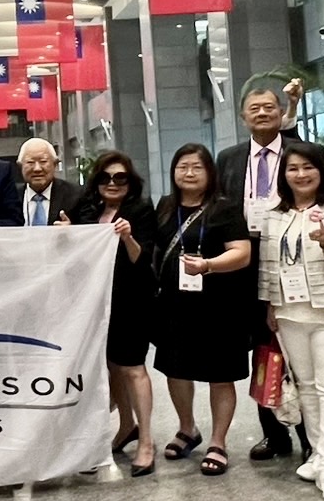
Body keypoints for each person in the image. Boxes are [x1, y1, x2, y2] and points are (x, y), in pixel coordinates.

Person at [258, 142, 324, 501]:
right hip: (289, 312)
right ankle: (318, 454)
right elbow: (269, 266)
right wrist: (271, 305)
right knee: (308, 388)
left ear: (322, 171)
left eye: (308, 168)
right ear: (283, 176)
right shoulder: (274, 215)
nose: (301, 175)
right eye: (293, 169)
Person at [214, 86, 311, 462]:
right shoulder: (230, 158)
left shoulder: (297, 153)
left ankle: (308, 436)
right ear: (243, 117)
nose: (262, 113)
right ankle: (273, 433)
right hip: (244, 259)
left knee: (295, 345)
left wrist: (295, 105)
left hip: (292, 256)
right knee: (262, 351)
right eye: (254, 109)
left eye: (269, 107)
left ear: (280, 114)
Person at [152, 143, 254, 476]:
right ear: (173, 172)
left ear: (210, 172)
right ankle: (187, 429)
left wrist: (208, 265)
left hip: (219, 306)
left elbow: (241, 253)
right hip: (174, 304)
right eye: (183, 166)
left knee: (219, 375)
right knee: (175, 369)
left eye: (197, 167)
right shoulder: (166, 206)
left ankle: (218, 441)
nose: (190, 173)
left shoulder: (224, 208)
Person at [73, 151, 157, 476]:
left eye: (120, 178)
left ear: (129, 182)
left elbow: (142, 257)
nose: (112, 183)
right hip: (96, 302)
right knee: (112, 368)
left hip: (131, 300)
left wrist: (127, 236)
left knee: (134, 368)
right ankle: (126, 426)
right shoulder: (89, 210)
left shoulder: (140, 210)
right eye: (106, 178)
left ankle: (147, 441)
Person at [16, 137, 82, 226]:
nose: (37, 169)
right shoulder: (10, 196)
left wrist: (72, 230)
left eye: (43, 162)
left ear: (55, 164)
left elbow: (90, 232)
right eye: (30, 162)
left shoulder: (75, 195)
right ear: (20, 166)